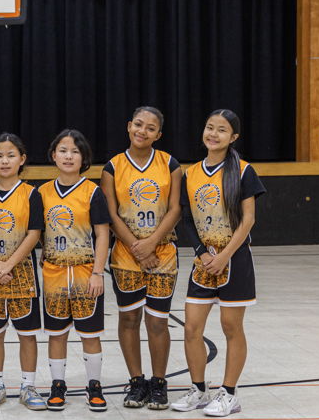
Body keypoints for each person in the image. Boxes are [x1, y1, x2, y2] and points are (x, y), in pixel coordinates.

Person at [172, 109, 265, 417]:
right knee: (191, 329)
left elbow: (248, 219)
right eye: (210, 127)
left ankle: (229, 394)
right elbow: (187, 219)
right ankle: (199, 390)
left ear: (233, 137)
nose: (213, 134)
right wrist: (201, 253)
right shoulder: (191, 173)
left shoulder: (243, 170)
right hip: (204, 261)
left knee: (230, 326)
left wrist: (224, 255)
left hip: (234, 258)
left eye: (221, 130)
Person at [100, 106, 182, 409]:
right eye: (138, 124)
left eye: (150, 128)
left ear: (158, 134)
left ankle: (159, 382)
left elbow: (175, 209)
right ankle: (136, 381)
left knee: (158, 322)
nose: (142, 131)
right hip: (126, 254)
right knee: (130, 318)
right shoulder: (112, 167)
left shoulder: (171, 164)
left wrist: (151, 243)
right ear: (128, 126)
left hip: (162, 253)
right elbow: (110, 213)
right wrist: (137, 246)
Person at [39, 130, 111, 412]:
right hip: (54, 273)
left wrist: (98, 272)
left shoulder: (93, 192)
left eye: (75, 151)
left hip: (85, 273)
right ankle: (58, 385)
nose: (69, 156)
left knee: (89, 334)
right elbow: (37, 233)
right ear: (53, 155)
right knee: (56, 333)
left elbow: (103, 235)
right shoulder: (42, 192)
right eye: (63, 150)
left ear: (84, 158)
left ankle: (94, 385)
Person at [0, 133, 46, 411]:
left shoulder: (31, 194)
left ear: (22, 160)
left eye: (11, 155)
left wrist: (9, 264)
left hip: (22, 271)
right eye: (0, 155)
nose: (5, 160)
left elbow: (34, 233)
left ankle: (28, 385)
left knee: (27, 333)